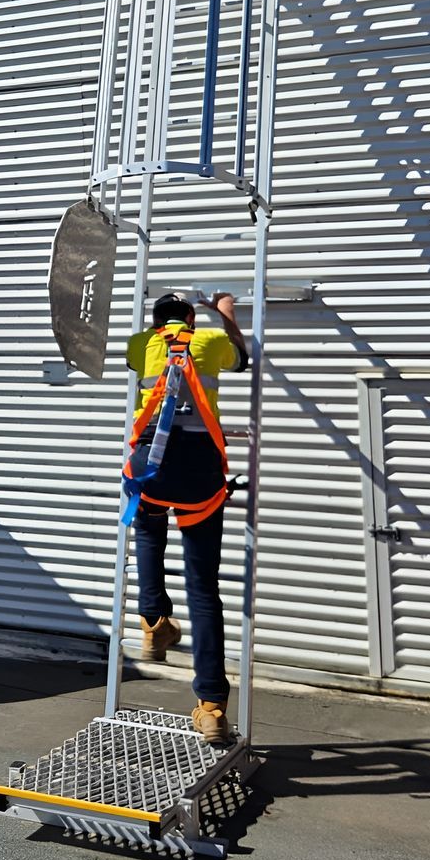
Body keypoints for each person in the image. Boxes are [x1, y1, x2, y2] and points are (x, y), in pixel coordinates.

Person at [125, 290, 248, 745]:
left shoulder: (140, 344)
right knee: (202, 586)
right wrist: (228, 315)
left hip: (150, 466)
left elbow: (135, 363)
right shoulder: (212, 340)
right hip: (197, 470)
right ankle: (212, 705)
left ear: (157, 322)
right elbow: (243, 359)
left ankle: (154, 622)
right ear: (192, 319)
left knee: (149, 533)